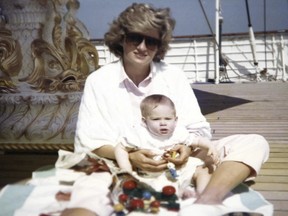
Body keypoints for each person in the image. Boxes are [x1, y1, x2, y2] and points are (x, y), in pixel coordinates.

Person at [61, 3, 269, 216]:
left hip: (177, 160)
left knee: (254, 142)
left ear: (159, 46)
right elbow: (89, 140)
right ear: (121, 39)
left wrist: (186, 149)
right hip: (119, 163)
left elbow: (197, 128)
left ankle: (208, 202)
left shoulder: (173, 75)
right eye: (135, 38)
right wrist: (130, 156)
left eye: (151, 41)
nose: (142, 47)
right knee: (89, 190)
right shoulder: (99, 80)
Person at [115, 94, 219, 197]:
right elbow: (120, 147)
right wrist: (126, 170)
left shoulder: (178, 132)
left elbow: (196, 141)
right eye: (156, 119)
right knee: (151, 185)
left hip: (180, 168)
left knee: (204, 169)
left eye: (168, 119)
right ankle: (179, 192)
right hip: (154, 174)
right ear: (144, 121)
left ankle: (202, 194)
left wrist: (210, 146)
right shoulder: (139, 134)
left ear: (175, 119)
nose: (163, 123)